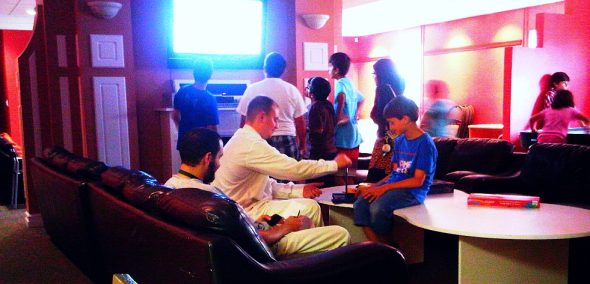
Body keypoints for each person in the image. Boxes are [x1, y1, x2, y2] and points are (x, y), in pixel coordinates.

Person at [165, 128, 350, 257]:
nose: (220, 163)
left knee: (304, 210)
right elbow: (255, 239)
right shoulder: (212, 197)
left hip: (250, 234)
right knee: (340, 233)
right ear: (208, 158)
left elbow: (241, 227)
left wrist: (258, 222)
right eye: (220, 156)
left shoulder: (169, 187)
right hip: (263, 248)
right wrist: (286, 227)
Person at [213, 96, 352, 227]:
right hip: (245, 215)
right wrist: (334, 164)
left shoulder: (244, 138)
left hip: (245, 208)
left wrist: (299, 190)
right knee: (310, 208)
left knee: (309, 205)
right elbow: (294, 169)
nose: (277, 126)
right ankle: (315, 250)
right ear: (261, 116)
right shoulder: (251, 144)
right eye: (275, 119)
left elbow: (266, 186)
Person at [353, 96, 437, 244]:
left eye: (392, 122)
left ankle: (391, 249)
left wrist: (384, 188)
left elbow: (418, 181)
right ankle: (380, 248)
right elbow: (395, 174)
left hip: (412, 192)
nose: (390, 128)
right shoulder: (399, 141)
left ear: (405, 119)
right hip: (393, 187)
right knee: (360, 204)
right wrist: (376, 186)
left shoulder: (425, 143)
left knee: (377, 208)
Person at [236, 52, 307, 161]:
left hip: (259, 139)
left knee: (261, 177)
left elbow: (244, 121)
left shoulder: (252, 89)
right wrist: (302, 145)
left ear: (265, 68)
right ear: (283, 70)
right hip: (286, 138)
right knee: (288, 175)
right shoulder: (291, 90)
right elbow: (300, 121)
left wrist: (242, 141)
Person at [329, 52, 364, 185]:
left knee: (338, 175)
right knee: (350, 174)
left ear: (336, 69)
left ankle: (342, 203)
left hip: (343, 138)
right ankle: (351, 201)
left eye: (329, 66)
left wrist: (337, 117)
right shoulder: (350, 82)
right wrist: (356, 114)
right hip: (354, 137)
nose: (328, 70)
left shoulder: (340, 83)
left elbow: (341, 96)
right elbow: (362, 99)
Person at [367, 58, 404, 182]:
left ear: (380, 74)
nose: (374, 77)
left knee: (376, 177)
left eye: (374, 73)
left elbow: (378, 114)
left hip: (385, 137)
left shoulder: (382, 88)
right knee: (392, 175)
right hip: (397, 135)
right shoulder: (400, 86)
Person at [173, 58, 219, 150]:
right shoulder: (210, 98)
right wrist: (217, 144)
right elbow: (212, 127)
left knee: (185, 164)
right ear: (210, 75)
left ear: (194, 73)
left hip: (184, 140)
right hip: (201, 143)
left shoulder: (182, 91)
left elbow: (174, 115)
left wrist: (181, 129)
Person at [307, 77, 337, 187]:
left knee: (316, 186)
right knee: (329, 185)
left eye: (309, 87)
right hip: (331, 149)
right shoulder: (328, 104)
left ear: (312, 92)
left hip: (319, 153)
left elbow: (317, 131)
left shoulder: (315, 107)